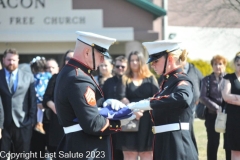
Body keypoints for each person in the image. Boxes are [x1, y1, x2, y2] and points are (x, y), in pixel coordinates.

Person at [54, 31, 131, 160]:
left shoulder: (74, 72)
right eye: (101, 55)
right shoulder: (79, 78)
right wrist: (120, 121)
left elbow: (82, 106)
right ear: (87, 52)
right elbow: (93, 124)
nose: (102, 60)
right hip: (86, 148)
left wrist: (104, 103)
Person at [127, 40, 198, 160]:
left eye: (156, 61)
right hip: (165, 142)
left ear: (170, 59)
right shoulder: (166, 82)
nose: (152, 65)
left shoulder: (180, 79)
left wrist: (150, 103)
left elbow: (183, 97)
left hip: (177, 145)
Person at [115, 51, 158, 160]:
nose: (134, 62)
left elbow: (156, 97)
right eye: (131, 60)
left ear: (142, 62)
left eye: (137, 60)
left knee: (147, 154)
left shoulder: (151, 78)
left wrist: (142, 109)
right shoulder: (125, 78)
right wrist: (133, 110)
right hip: (130, 119)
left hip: (147, 121)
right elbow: (122, 97)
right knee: (130, 154)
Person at [0, 48, 37, 160]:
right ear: (3, 60)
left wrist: (31, 120)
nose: (11, 62)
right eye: (9, 60)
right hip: (3, 125)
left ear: (18, 60)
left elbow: (32, 100)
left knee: (23, 156)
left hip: (23, 123)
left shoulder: (28, 76)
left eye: (14, 60)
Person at [42, 50, 74, 156]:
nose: (70, 61)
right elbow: (46, 98)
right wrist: (53, 106)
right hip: (58, 122)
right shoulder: (56, 77)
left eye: (73, 59)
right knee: (58, 152)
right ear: (64, 61)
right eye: (68, 59)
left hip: (75, 122)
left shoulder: (81, 77)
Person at [199, 55, 230, 160]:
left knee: (229, 143)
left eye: (220, 64)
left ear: (224, 65)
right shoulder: (206, 80)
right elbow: (203, 97)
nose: (218, 66)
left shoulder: (229, 79)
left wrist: (224, 108)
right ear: (212, 66)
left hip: (228, 115)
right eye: (215, 64)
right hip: (212, 115)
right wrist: (216, 108)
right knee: (213, 143)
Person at [102, 55, 128, 160]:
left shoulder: (130, 81)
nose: (120, 68)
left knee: (127, 152)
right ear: (114, 67)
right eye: (118, 66)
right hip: (111, 120)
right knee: (113, 151)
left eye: (123, 66)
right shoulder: (108, 82)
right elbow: (102, 99)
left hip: (127, 121)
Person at [221, 52, 240, 160]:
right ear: (234, 64)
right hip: (233, 119)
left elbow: (230, 97)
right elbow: (226, 96)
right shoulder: (229, 77)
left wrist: (235, 98)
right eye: (238, 64)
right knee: (235, 150)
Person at [182, 60, 203, 152]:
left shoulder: (195, 70)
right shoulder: (173, 71)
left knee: (189, 130)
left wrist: (200, 98)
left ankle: (192, 153)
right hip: (180, 107)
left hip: (193, 106)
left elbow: (203, 85)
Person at [30, 56, 52, 134]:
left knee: (39, 110)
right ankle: (39, 124)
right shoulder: (47, 75)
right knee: (40, 110)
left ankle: (38, 123)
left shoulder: (33, 76)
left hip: (38, 95)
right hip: (44, 95)